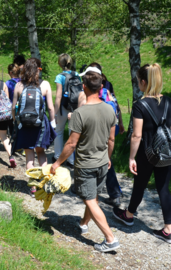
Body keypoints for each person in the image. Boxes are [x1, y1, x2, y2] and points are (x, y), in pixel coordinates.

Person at [51, 65, 120, 253]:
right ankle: (83, 222)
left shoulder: (80, 113)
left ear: (84, 87)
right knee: (94, 196)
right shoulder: (109, 109)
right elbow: (112, 139)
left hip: (86, 165)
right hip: (102, 163)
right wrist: (108, 157)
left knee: (89, 199)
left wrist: (57, 163)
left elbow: (71, 144)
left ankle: (110, 238)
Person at [113, 63, 171, 244]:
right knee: (163, 188)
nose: (138, 84)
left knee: (140, 184)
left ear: (144, 82)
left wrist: (131, 157)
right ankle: (169, 228)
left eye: (138, 81)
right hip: (167, 152)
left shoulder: (140, 105)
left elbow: (137, 135)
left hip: (147, 153)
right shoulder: (169, 101)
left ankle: (128, 215)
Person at [12, 58, 56, 196]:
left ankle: (32, 187)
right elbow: (50, 107)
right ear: (38, 70)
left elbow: (13, 108)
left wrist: (16, 122)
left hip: (24, 125)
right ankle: (44, 184)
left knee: (29, 156)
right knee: (41, 153)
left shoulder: (19, 85)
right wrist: (53, 122)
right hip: (40, 125)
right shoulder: (45, 85)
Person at [88, 62, 124, 207]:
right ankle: (112, 192)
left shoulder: (95, 86)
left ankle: (112, 193)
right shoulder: (107, 84)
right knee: (104, 158)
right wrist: (119, 122)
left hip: (101, 127)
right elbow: (116, 104)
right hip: (111, 124)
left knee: (104, 159)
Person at [53, 53, 80, 165]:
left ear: (60, 63)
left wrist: (54, 113)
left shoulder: (60, 76)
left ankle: (58, 156)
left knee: (58, 131)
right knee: (72, 133)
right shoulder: (77, 74)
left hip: (63, 107)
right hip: (75, 106)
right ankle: (71, 159)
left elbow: (58, 96)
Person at [6, 63, 21, 137]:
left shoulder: (8, 83)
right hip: (22, 108)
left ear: (10, 72)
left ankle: (14, 144)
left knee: (12, 127)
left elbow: (6, 98)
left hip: (12, 108)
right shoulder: (23, 82)